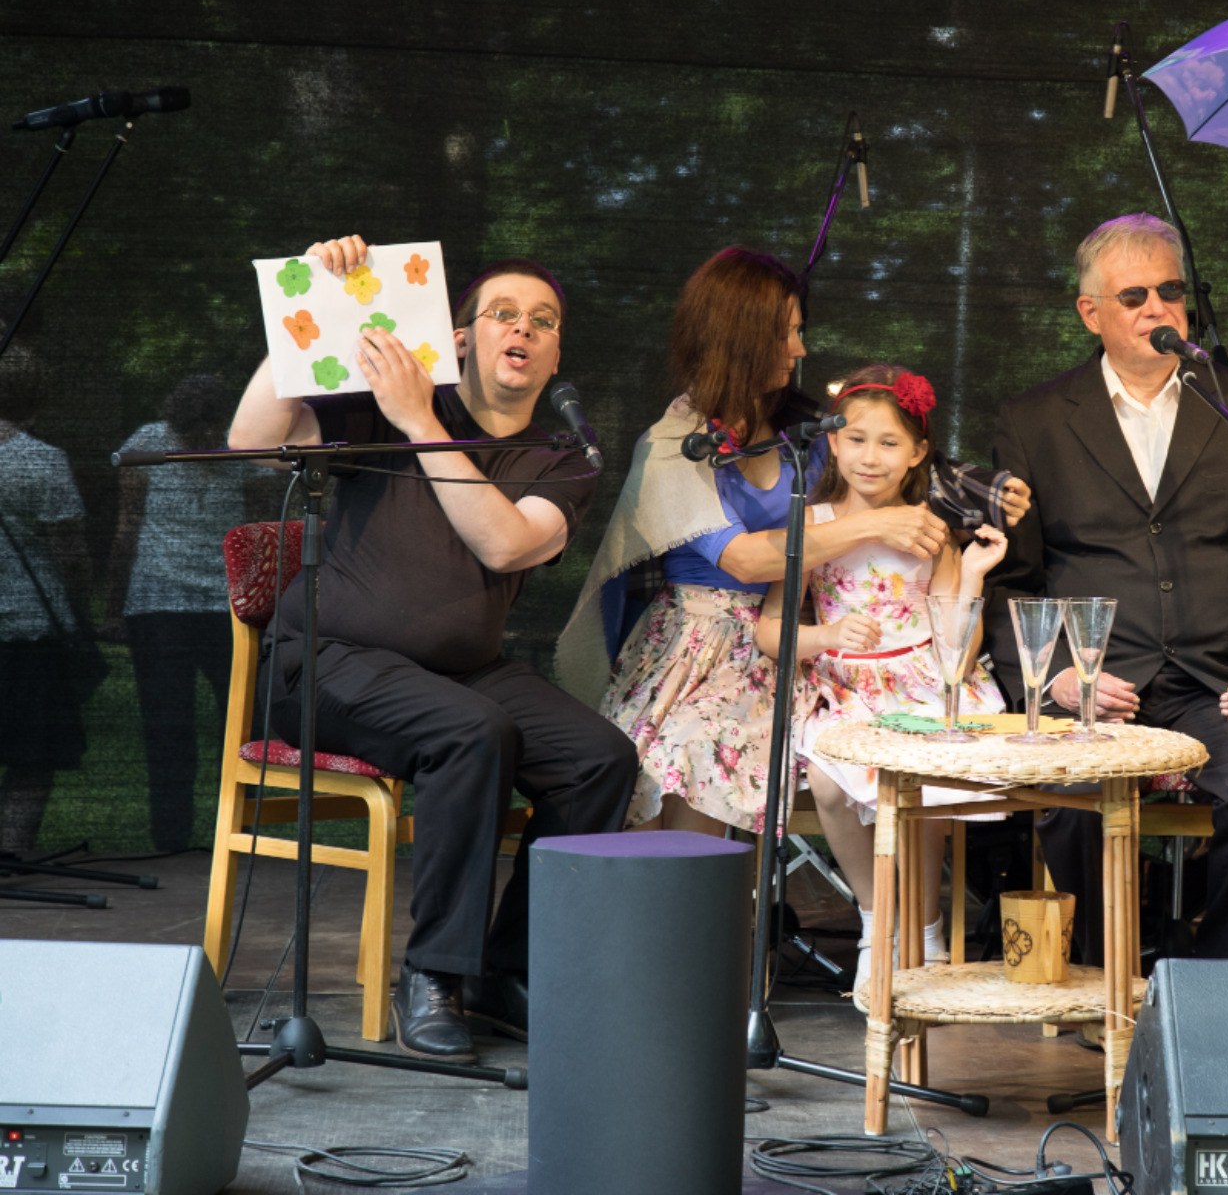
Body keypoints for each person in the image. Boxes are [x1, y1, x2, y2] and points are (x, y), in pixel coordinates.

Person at [227, 235, 638, 1062]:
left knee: (599, 759)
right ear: (459, 340)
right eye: (502, 313)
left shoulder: (562, 459)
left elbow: (506, 544)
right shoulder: (387, 407)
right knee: (472, 732)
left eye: (543, 321)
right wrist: (313, 295)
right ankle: (435, 974)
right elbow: (250, 436)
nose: (523, 329)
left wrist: (420, 422)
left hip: (460, 670)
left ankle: (505, 970)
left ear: (556, 355)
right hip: (327, 662)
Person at [553, 248, 1012, 837]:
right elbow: (745, 559)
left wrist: (996, 490)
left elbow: (898, 463)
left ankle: (712, 889)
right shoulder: (674, 443)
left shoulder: (804, 432)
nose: (800, 350)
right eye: (787, 333)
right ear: (742, 338)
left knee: (704, 756)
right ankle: (654, 894)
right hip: (693, 644)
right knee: (649, 770)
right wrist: (870, 527)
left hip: (786, 646)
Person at [986, 213, 1228, 963]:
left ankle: (1219, 984)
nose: (1156, 308)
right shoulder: (1034, 419)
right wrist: (1055, 679)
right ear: (1091, 314)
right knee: (1070, 793)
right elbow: (1010, 581)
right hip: (1094, 684)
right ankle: (1103, 978)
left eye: (1171, 292)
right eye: (1134, 295)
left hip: (1217, 685)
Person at [756, 363, 1007, 997]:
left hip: (920, 683)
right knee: (827, 778)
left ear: (918, 452)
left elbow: (956, 652)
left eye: (889, 442)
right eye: (857, 439)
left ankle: (923, 929)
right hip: (847, 687)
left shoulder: (930, 528)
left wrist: (971, 575)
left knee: (916, 780)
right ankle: (874, 921)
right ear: (833, 442)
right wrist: (826, 636)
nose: (870, 457)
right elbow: (770, 631)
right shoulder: (813, 525)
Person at [105, 374, 258, 852]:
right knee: (176, 724)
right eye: (197, 431)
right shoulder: (151, 443)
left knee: (231, 724)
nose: (204, 438)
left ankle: (230, 831)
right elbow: (127, 526)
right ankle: (180, 836)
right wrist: (115, 606)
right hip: (166, 602)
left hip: (217, 605)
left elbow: (256, 529)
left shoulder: (241, 445)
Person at [0, 347, 91, 855]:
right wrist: (83, 612)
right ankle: (10, 855)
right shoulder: (41, 461)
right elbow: (71, 556)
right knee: (31, 756)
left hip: (27, 632)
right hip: (31, 632)